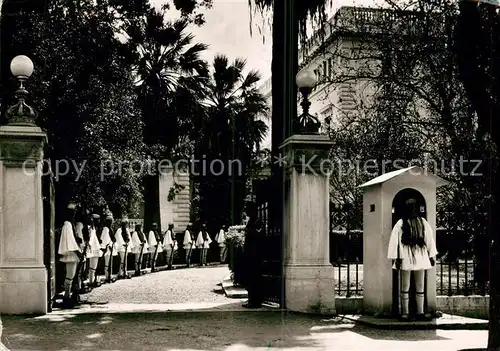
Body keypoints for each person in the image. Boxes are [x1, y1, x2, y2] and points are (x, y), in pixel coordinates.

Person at [387, 198, 437, 321]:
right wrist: (396, 257)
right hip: (408, 254)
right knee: (406, 285)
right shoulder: (403, 222)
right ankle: (406, 312)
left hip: (418, 254)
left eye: (413, 206)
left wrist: (431, 255)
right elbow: (396, 242)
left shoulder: (419, 222)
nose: (412, 209)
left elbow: (428, 238)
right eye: (410, 207)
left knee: (419, 285)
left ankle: (418, 312)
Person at [58, 203, 82, 308]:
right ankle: (66, 297)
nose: (74, 214)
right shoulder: (67, 224)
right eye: (73, 212)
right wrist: (77, 251)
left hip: (73, 252)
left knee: (72, 275)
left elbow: (74, 238)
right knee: (70, 275)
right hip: (70, 253)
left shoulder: (71, 224)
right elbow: (70, 240)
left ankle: (69, 296)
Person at [243, 204, 264, 308]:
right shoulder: (252, 220)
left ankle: (255, 301)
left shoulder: (257, 221)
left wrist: (248, 232)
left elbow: (258, 235)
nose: (245, 212)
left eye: (247, 210)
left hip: (255, 255)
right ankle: (251, 300)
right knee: (250, 279)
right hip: (251, 254)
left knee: (255, 279)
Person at [87, 213, 102, 287]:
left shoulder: (95, 228)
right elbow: (91, 239)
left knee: (94, 266)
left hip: (96, 248)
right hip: (93, 249)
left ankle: (93, 280)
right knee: (92, 266)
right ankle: (91, 281)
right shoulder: (91, 228)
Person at [100, 214, 116, 283]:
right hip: (107, 248)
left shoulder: (110, 229)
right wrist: (109, 246)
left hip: (109, 248)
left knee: (109, 263)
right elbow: (105, 239)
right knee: (107, 263)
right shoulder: (106, 229)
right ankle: (107, 276)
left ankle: (109, 275)